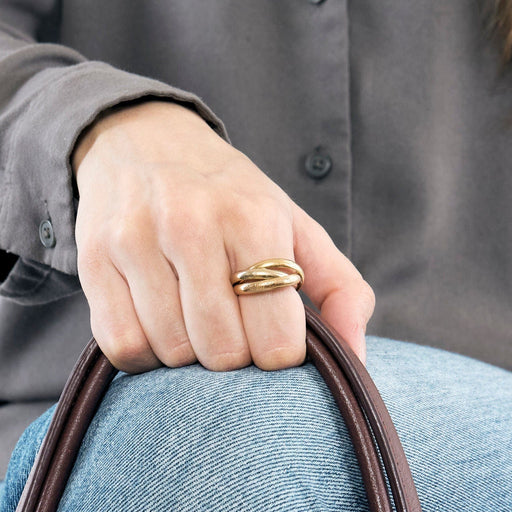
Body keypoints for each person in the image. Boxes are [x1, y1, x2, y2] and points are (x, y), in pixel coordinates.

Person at [0, 0, 511, 503]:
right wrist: (102, 127)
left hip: (483, 404)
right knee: (190, 431)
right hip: (81, 422)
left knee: (219, 431)